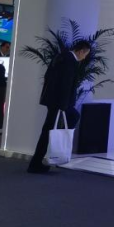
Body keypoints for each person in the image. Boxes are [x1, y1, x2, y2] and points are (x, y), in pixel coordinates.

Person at [28, 40, 90, 173]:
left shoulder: (61, 57)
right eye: (85, 54)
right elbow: (65, 84)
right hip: (59, 102)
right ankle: (37, 162)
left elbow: (48, 77)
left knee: (49, 130)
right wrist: (64, 105)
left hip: (54, 101)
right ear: (81, 51)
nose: (84, 58)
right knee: (53, 128)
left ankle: (37, 162)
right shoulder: (69, 61)